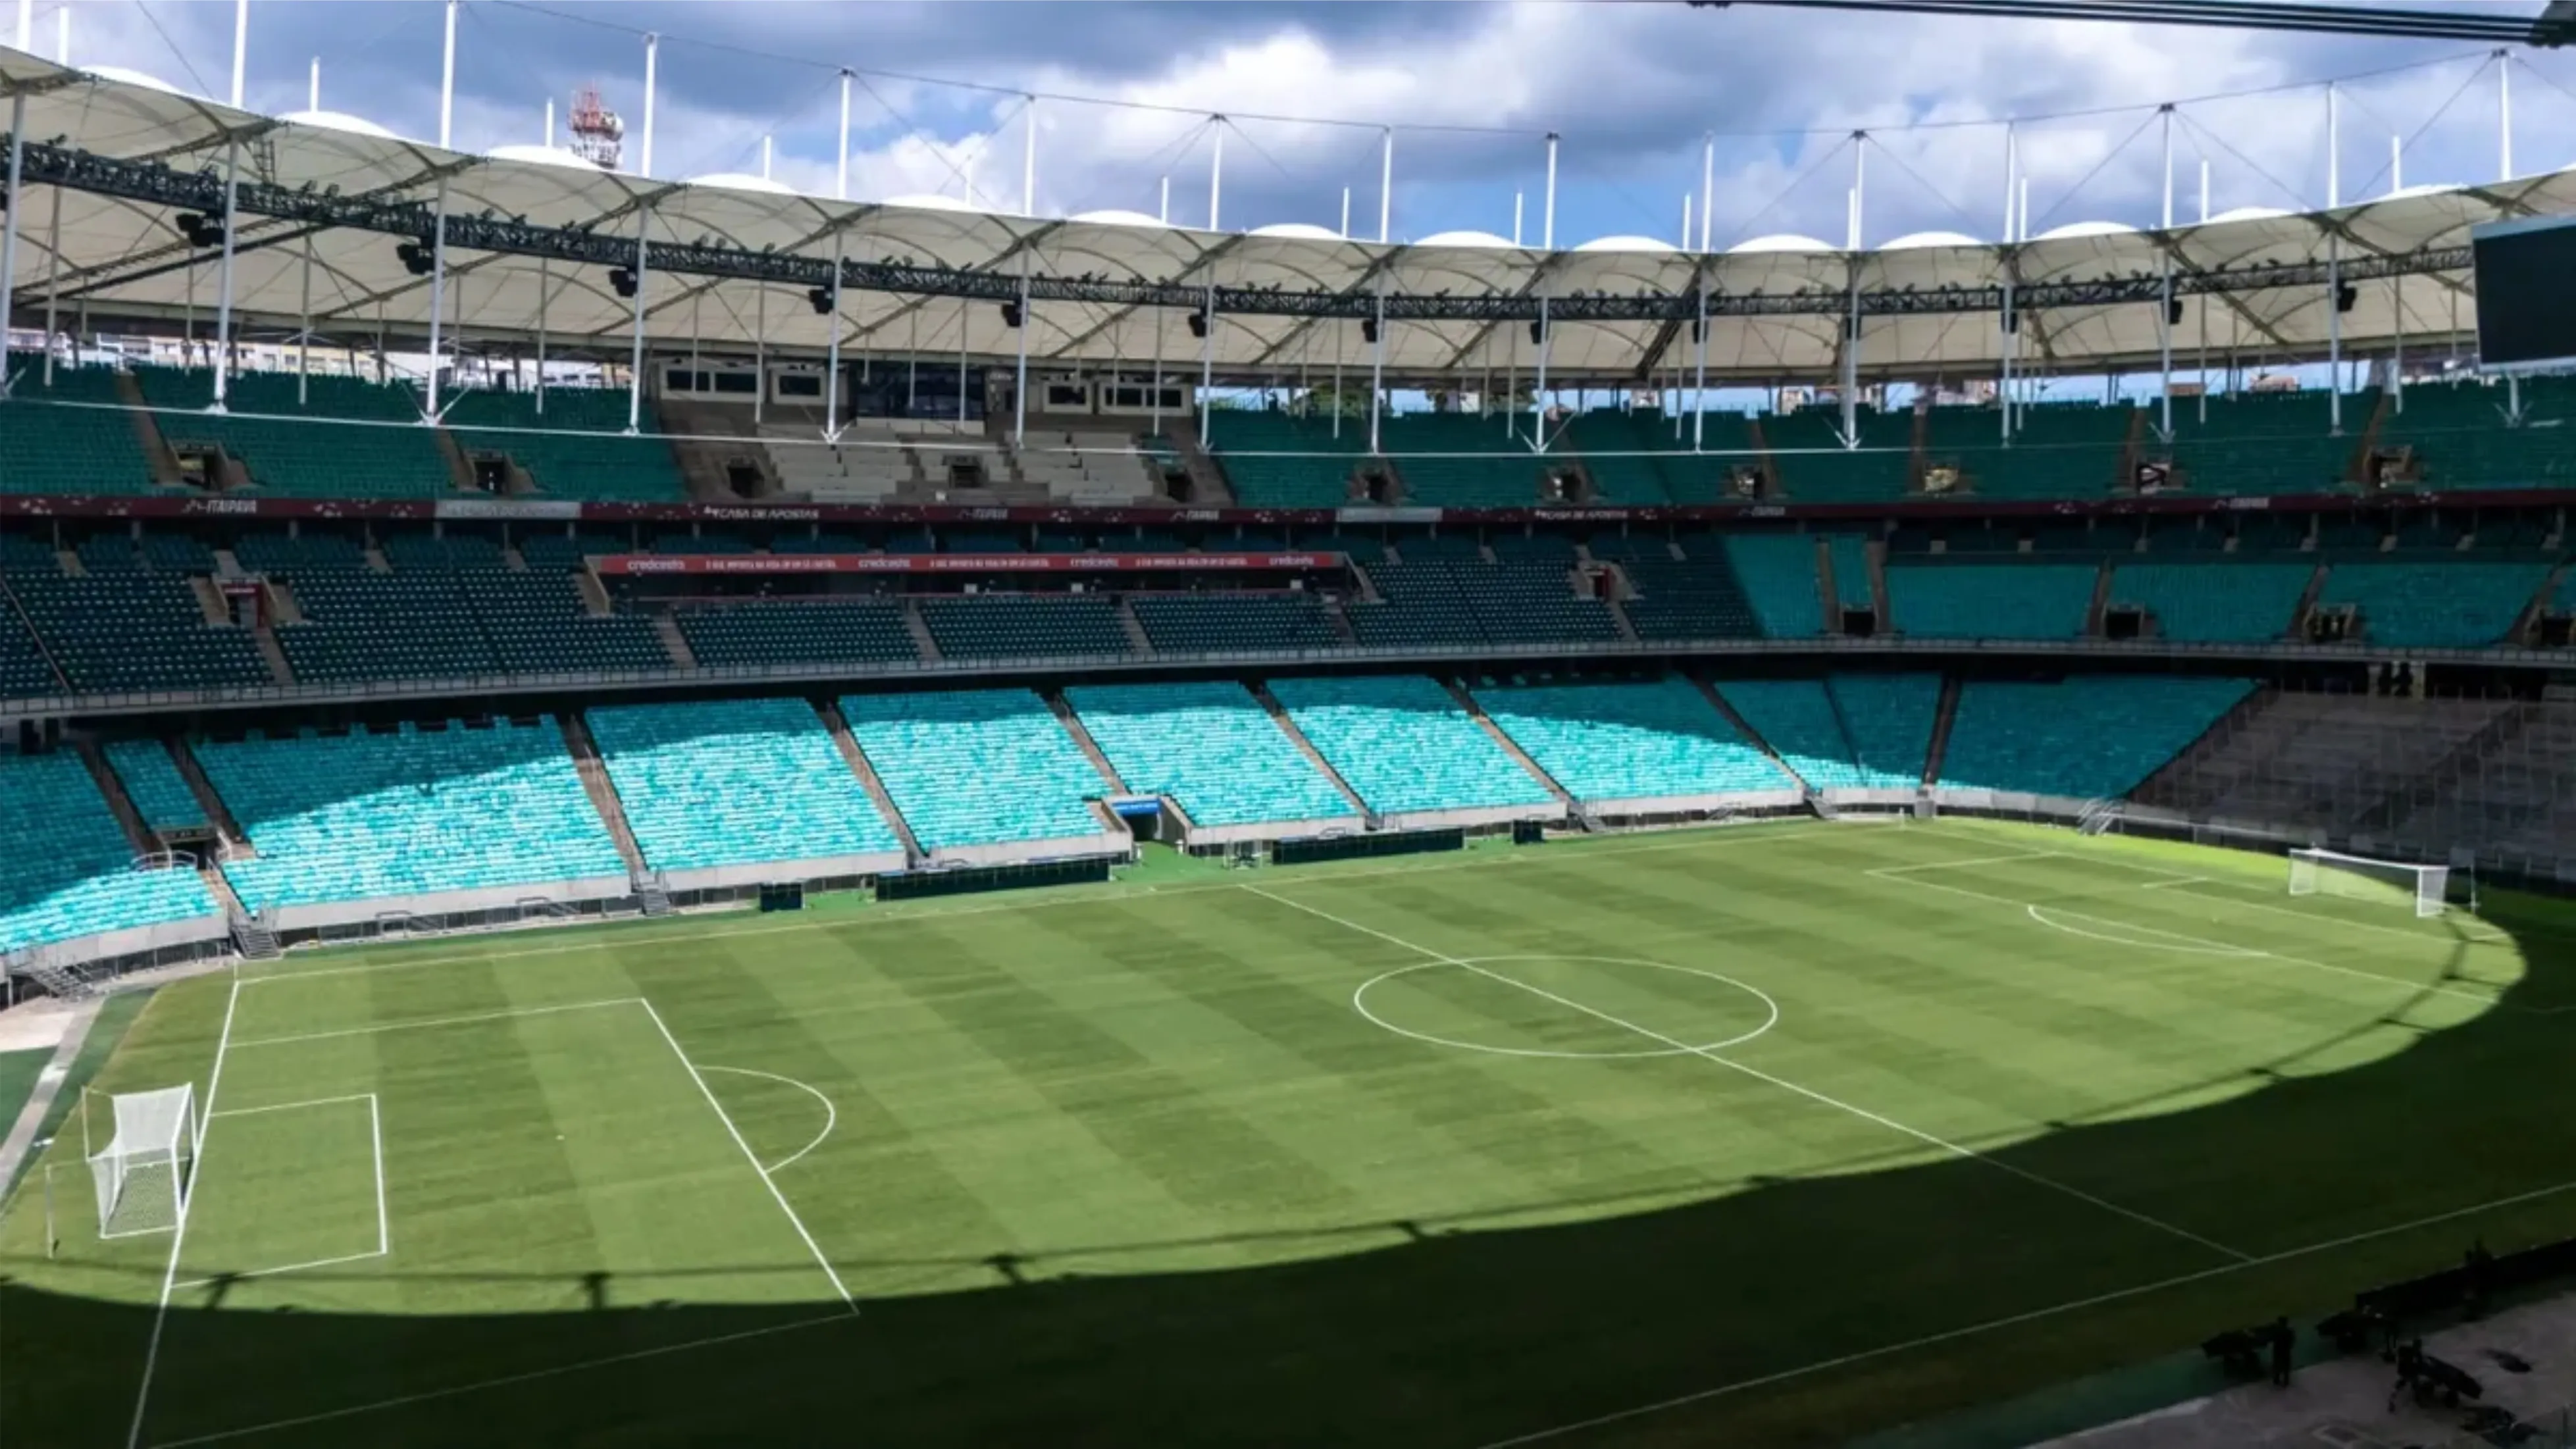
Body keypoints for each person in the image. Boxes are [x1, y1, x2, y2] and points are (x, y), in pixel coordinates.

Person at [2269, 1315, 2294, 1387]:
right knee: (2286, 1366)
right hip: (2286, 1350)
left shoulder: (2276, 1331)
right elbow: (2292, 1341)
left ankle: (2276, 1380)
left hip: (2278, 1351)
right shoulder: (2289, 1331)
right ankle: (2286, 1381)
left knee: (2277, 1365)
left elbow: (2272, 1339)